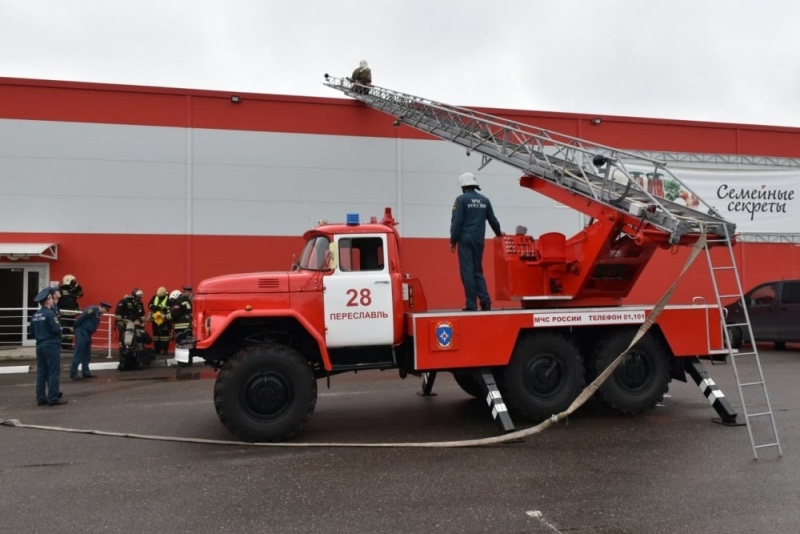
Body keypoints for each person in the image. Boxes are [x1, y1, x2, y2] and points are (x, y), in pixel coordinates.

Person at [450, 172, 502, 311]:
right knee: (477, 271)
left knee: (467, 272)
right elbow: (493, 221)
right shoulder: (485, 200)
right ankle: (485, 301)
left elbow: (456, 222)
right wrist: (499, 234)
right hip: (479, 240)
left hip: (465, 239)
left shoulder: (461, 200)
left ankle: (471, 305)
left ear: (463, 186)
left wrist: (453, 240)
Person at [30, 288, 66, 406]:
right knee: (53, 372)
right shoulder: (50, 314)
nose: (52, 301)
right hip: (51, 344)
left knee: (41, 373)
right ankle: (53, 398)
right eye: (51, 298)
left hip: (40, 345)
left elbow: (32, 333)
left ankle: (41, 398)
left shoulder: (35, 315)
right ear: (48, 300)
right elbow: (56, 329)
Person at [69, 301, 112, 380]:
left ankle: (86, 372)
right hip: (82, 331)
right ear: (102, 307)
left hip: (88, 333)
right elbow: (81, 318)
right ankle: (73, 373)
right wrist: (74, 327)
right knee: (79, 352)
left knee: (87, 354)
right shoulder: (92, 309)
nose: (106, 311)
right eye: (106, 309)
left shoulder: (97, 313)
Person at [58, 274, 84, 350]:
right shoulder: (60, 290)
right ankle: (61, 345)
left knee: (70, 329)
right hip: (63, 314)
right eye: (73, 281)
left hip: (72, 314)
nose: (74, 282)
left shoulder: (72, 291)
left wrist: (77, 286)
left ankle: (68, 345)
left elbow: (80, 294)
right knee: (63, 329)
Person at [147, 286, 172, 355]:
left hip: (164, 319)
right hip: (155, 318)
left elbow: (170, 307)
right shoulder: (155, 297)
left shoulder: (168, 297)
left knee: (165, 336)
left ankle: (164, 350)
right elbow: (149, 305)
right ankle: (157, 350)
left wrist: (163, 308)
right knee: (156, 335)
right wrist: (156, 307)